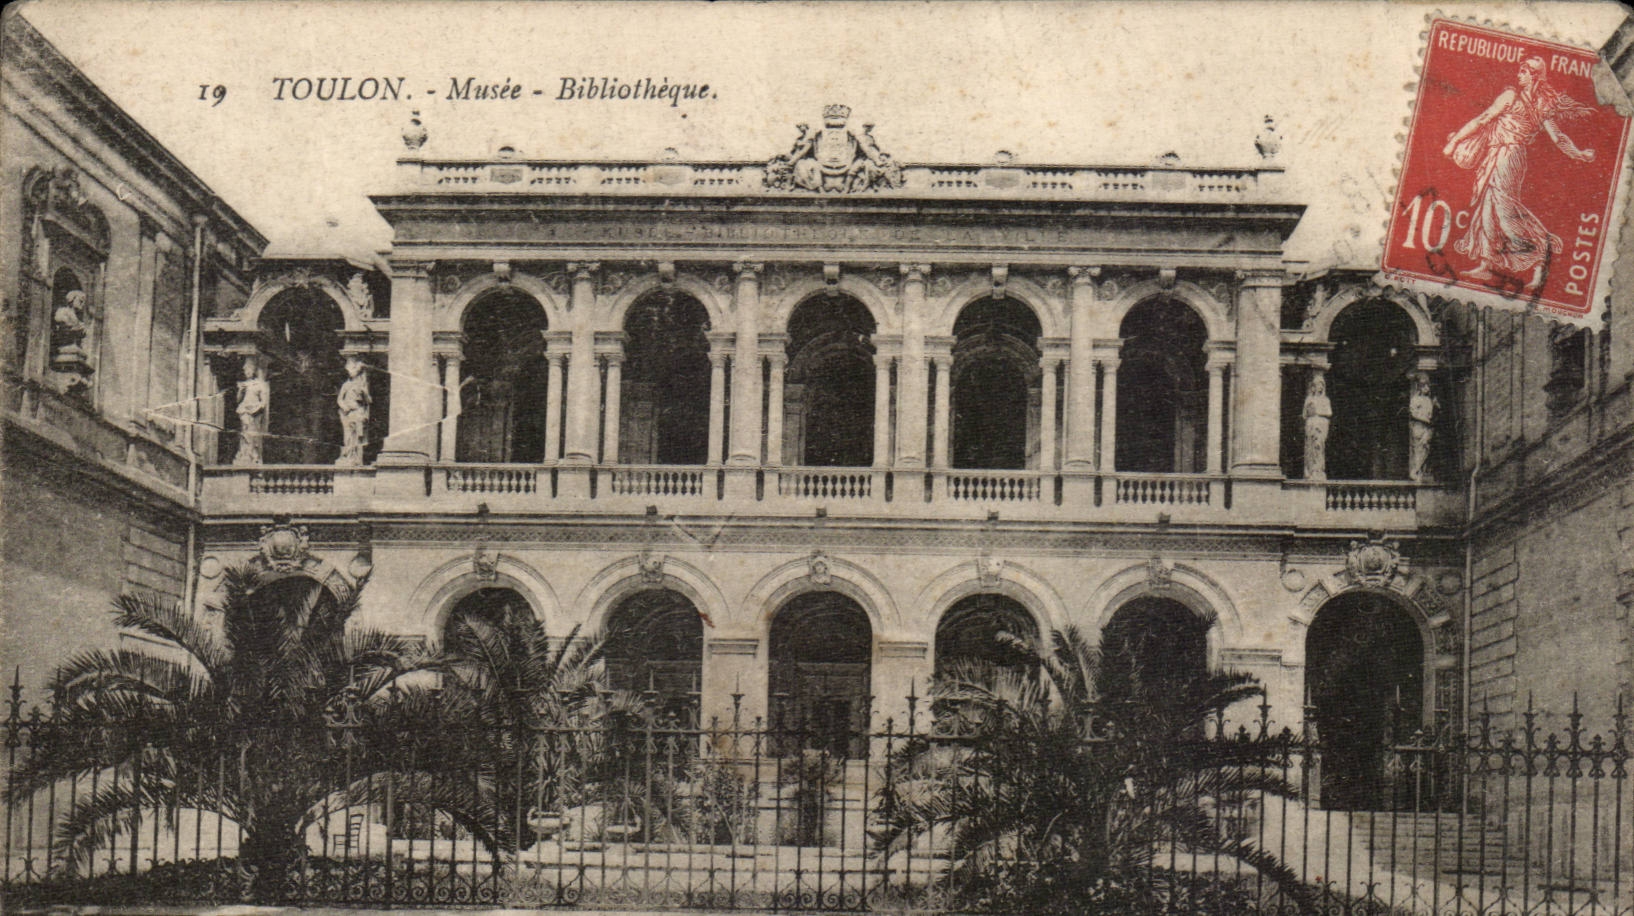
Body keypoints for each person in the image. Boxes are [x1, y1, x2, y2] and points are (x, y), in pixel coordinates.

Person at [1443, 56, 1596, 293]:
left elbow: (1557, 137)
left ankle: (1541, 254)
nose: (1518, 75)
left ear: (1534, 76)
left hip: (1509, 157)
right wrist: (1580, 154)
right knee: (1488, 210)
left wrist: (1579, 154)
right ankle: (1488, 264)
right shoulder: (1525, 100)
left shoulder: (1529, 102)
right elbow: (1484, 120)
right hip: (1499, 155)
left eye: (1523, 71)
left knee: (1504, 212)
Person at [335, 355, 372, 466]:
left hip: (358, 413)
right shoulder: (346, 385)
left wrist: (364, 393)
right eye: (350, 370)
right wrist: (345, 407)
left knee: (358, 437)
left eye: (353, 370)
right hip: (349, 413)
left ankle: (357, 459)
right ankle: (348, 456)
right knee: (348, 436)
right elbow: (340, 399)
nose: (350, 372)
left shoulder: (362, 385)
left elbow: (368, 401)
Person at [233, 356, 269, 466]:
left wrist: (255, 409)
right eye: (245, 370)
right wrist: (240, 391)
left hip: (254, 412)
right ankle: (244, 454)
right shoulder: (243, 384)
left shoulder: (259, 384)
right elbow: (238, 400)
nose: (247, 372)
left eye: (249, 370)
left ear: (253, 370)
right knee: (244, 432)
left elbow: (263, 402)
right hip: (244, 410)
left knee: (252, 433)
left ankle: (252, 455)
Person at [1303, 370, 1333, 481]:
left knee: (1319, 446)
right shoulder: (1309, 399)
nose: (1320, 387)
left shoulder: (1325, 400)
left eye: (1322, 385)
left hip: (1321, 425)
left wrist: (1318, 412)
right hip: (1311, 425)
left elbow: (1329, 412)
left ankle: (1318, 470)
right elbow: (1304, 414)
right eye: (1318, 385)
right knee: (1310, 448)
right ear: (1313, 387)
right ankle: (1310, 471)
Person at [1408, 373, 1437, 483]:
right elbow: (1413, 413)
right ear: (1420, 387)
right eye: (1424, 386)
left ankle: (1418, 471)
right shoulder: (1416, 399)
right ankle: (1416, 471)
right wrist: (1425, 419)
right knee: (1419, 448)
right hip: (1419, 426)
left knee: (1426, 447)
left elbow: (1431, 413)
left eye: (1428, 386)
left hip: (1428, 427)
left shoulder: (1429, 400)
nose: (1426, 388)